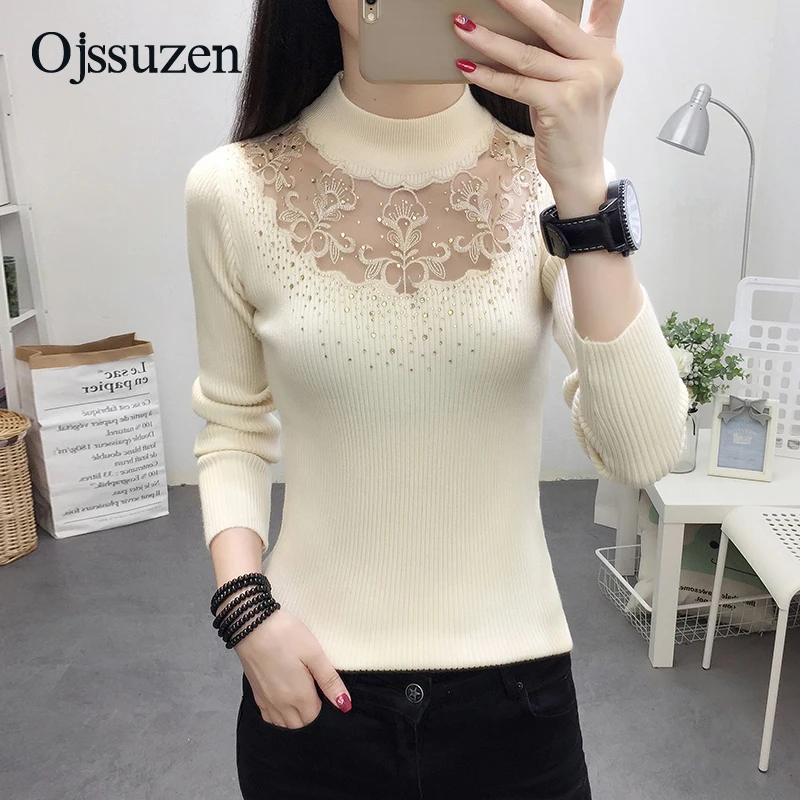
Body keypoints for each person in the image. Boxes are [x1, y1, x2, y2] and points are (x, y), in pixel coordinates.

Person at [185, 1, 689, 798]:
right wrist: (244, 612)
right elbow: (233, 425)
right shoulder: (230, 189)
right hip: (309, 684)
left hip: (516, 701)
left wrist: (583, 185)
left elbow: (645, 449)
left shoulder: (547, 180)